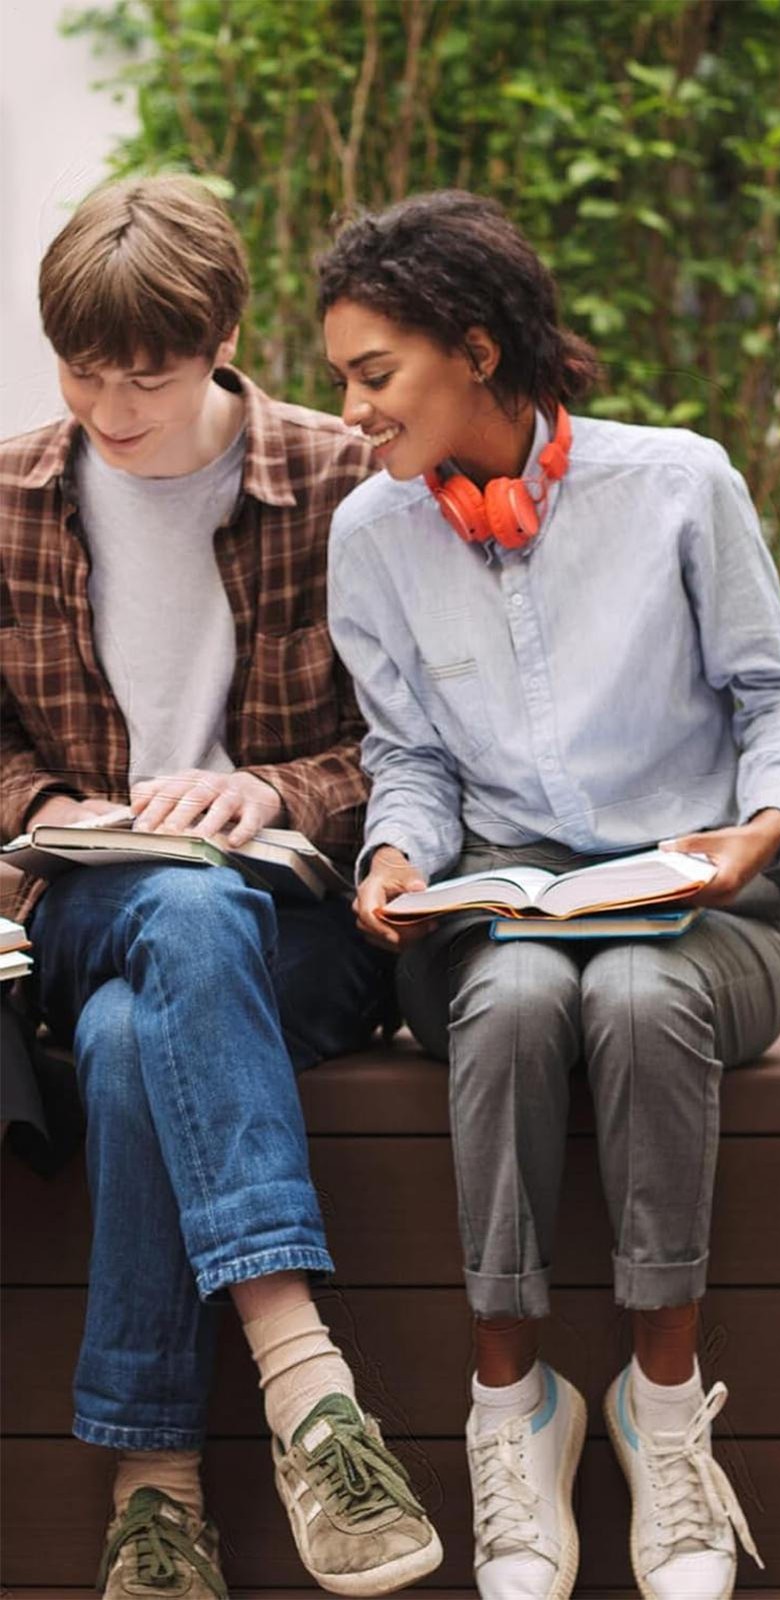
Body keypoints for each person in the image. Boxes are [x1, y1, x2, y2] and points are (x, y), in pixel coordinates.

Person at [319, 190, 780, 1600]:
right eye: (342, 379)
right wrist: (395, 856)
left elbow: (779, 695)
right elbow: (410, 758)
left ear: (477, 351)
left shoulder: (679, 486)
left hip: (705, 919)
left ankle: (663, 1411)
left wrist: (759, 831)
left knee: (643, 993)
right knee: (524, 995)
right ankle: (514, 1407)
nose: (352, 410)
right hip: (497, 923)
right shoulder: (373, 535)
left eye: (375, 373)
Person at [0, 175, 441, 1595]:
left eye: (151, 372)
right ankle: (310, 1388)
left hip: (298, 925)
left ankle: (158, 1493)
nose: (112, 406)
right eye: (82, 369)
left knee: (135, 1039)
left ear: (225, 339)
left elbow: (412, 735)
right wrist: (49, 807)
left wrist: (273, 791)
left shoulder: (342, 479)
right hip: (90, 900)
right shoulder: (8, 498)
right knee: (173, 913)